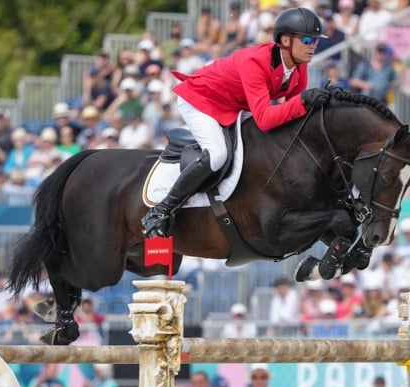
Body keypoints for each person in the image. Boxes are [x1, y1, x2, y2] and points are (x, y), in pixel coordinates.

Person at [142, 7, 331, 238]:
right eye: (308, 40)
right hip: (201, 100)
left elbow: (294, 116)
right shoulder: (256, 61)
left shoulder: (299, 66)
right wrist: (304, 101)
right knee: (218, 154)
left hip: (234, 106)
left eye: (316, 41)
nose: (313, 46)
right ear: (285, 40)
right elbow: (264, 119)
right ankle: (162, 210)